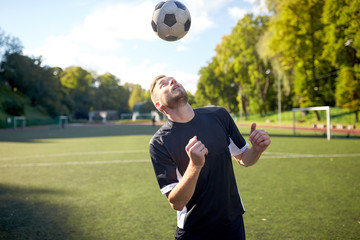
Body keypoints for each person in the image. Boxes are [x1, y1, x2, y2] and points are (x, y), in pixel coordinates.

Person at [149, 75, 271, 240]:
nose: (172, 82)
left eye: (173, 79)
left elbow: (244, 158)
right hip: (194, 231)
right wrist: (195, 166)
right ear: (159, 105)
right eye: (164, 84)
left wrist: (257, 150)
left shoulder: (219, 115)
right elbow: (176, 202)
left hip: (232, 224)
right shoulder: (160, 142)